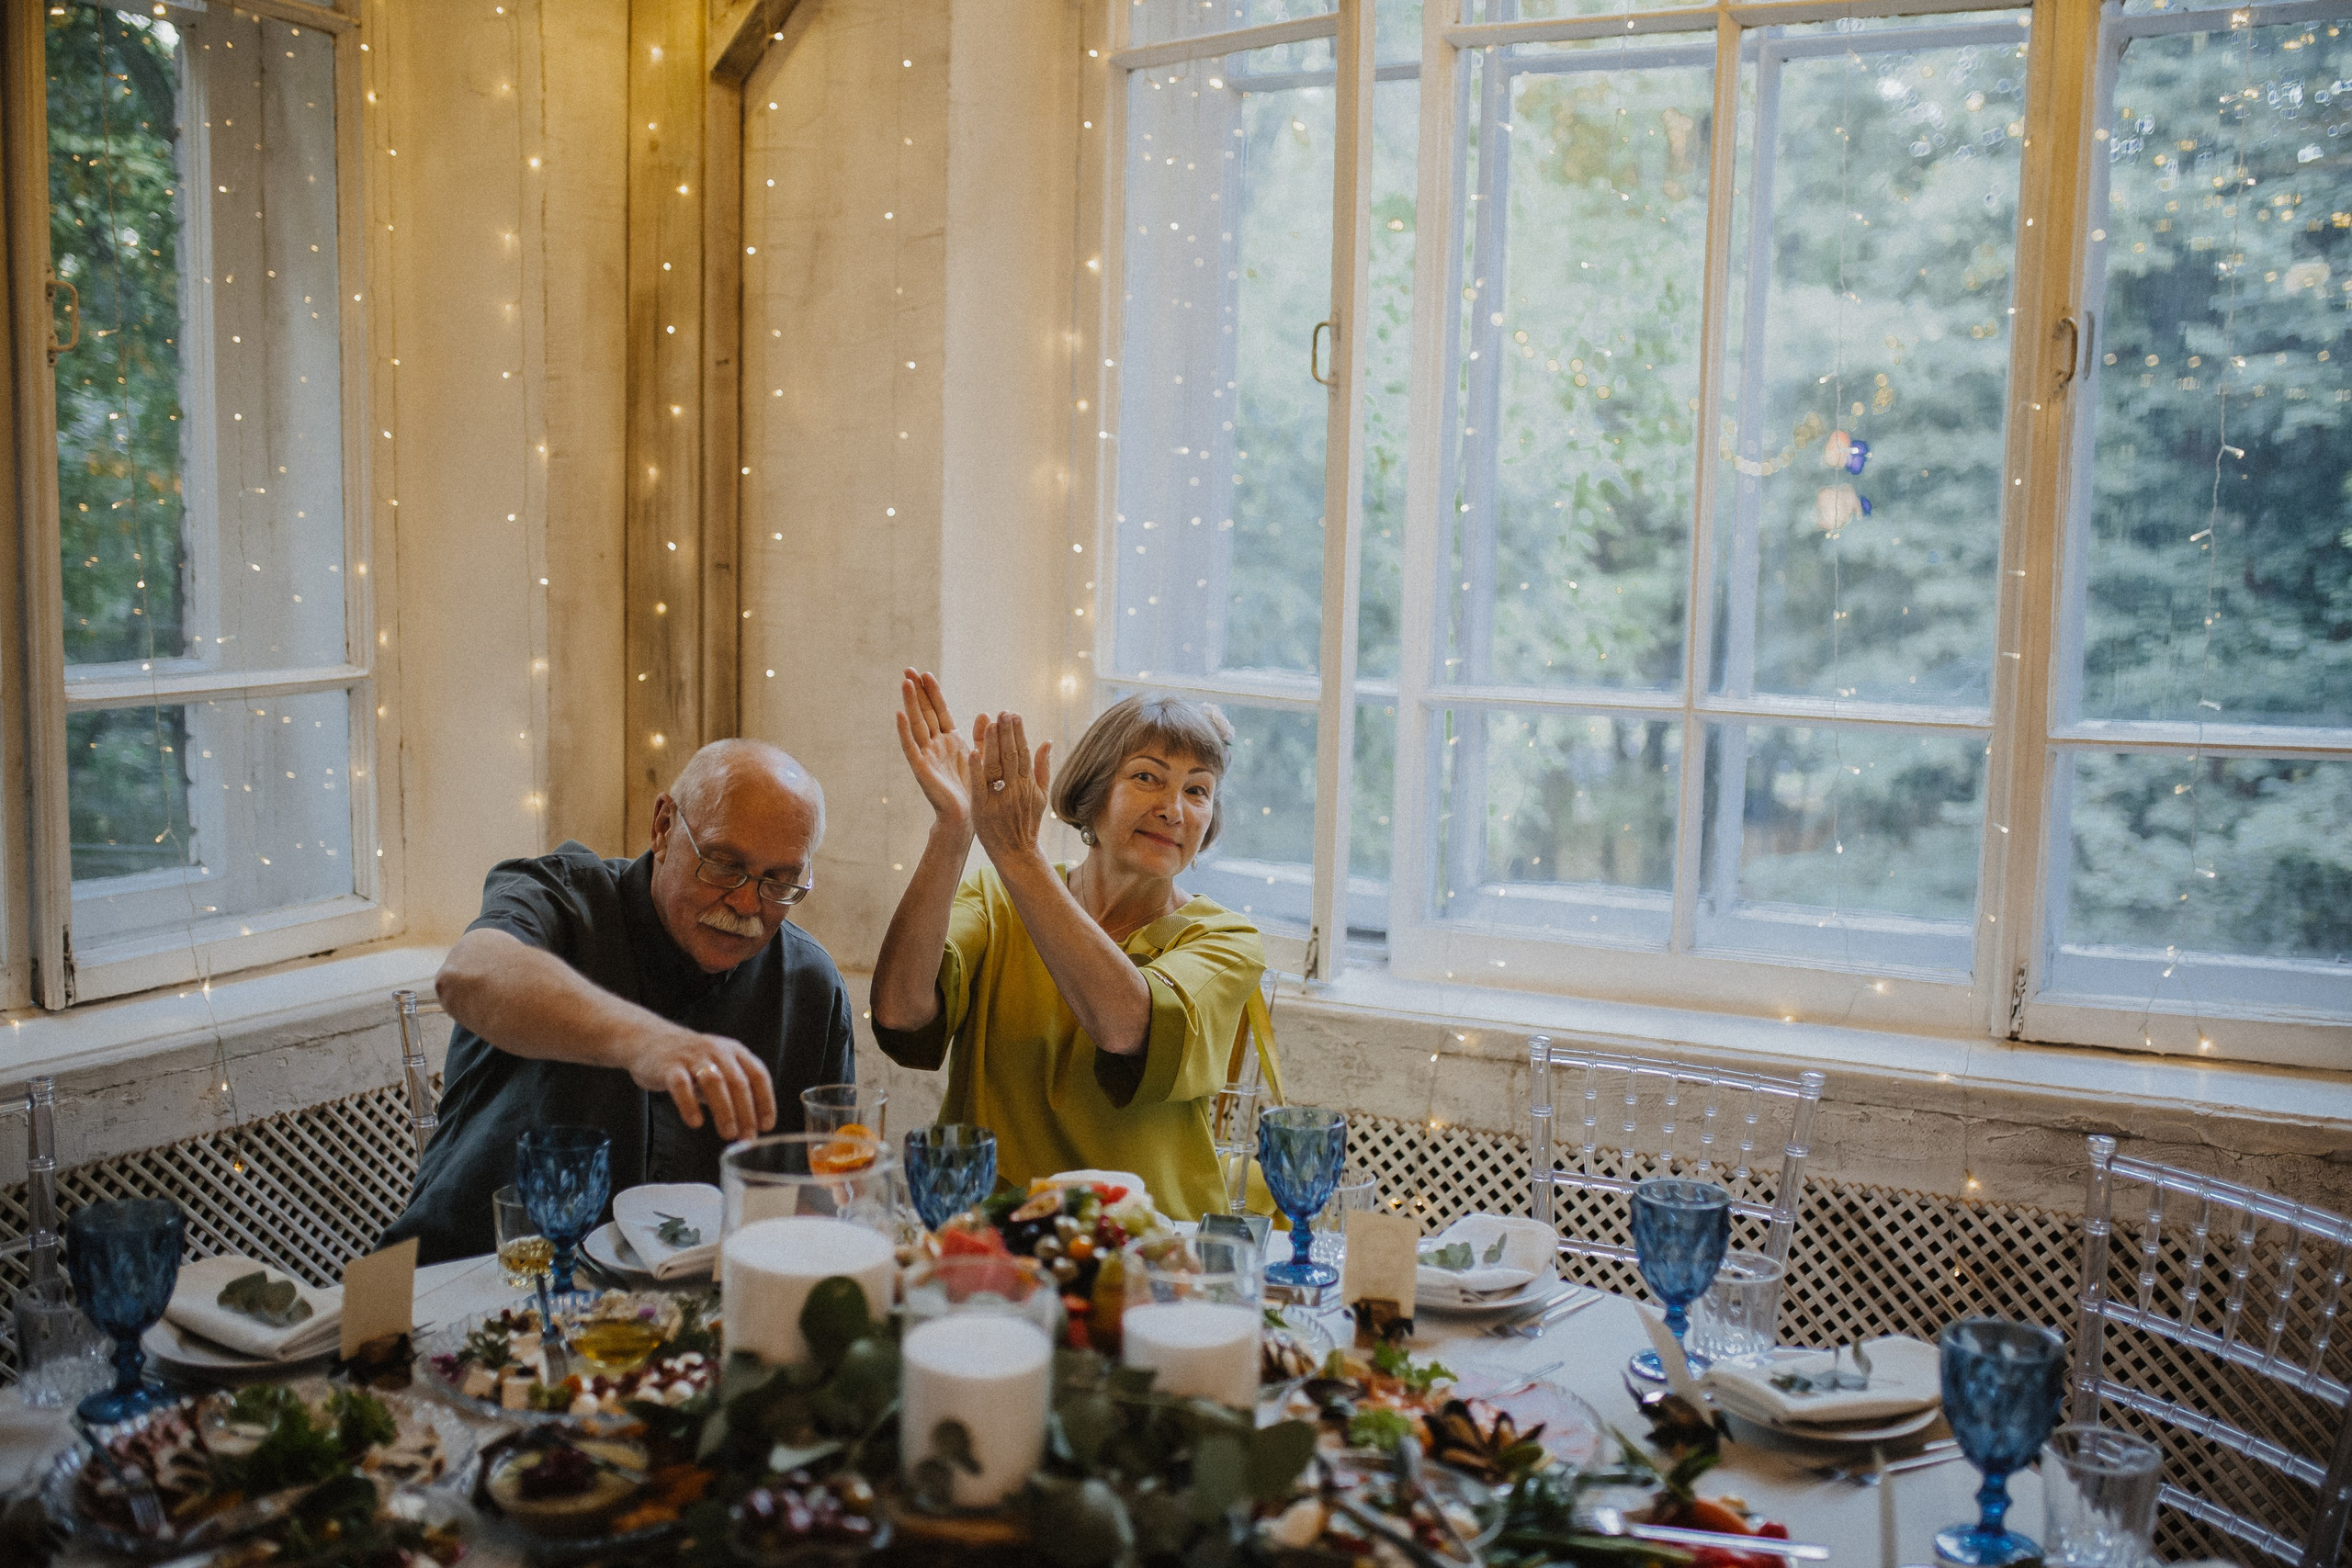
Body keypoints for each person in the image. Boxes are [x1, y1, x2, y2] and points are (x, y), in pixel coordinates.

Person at [380, 739, 854, 1264]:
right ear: (664, 827)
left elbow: (825, 1200)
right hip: (470, 1283)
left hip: (689, 1319)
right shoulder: (560, 897)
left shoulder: (810, 984)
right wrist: (647, 1041)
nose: (748, 904)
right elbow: (468, 974)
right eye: (722, 865)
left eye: (779, 882)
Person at [869, 673, 1273, 1220]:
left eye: (1197, 790)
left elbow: (1124, 1025)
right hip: (992, 1235)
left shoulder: (1227, 940)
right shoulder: (995, 899)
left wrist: (1017, 854)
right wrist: (955, 826)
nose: (1174, 809)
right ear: (1091, 792)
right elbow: (899, 1010)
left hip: (1147, 1244)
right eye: (1148, 778)